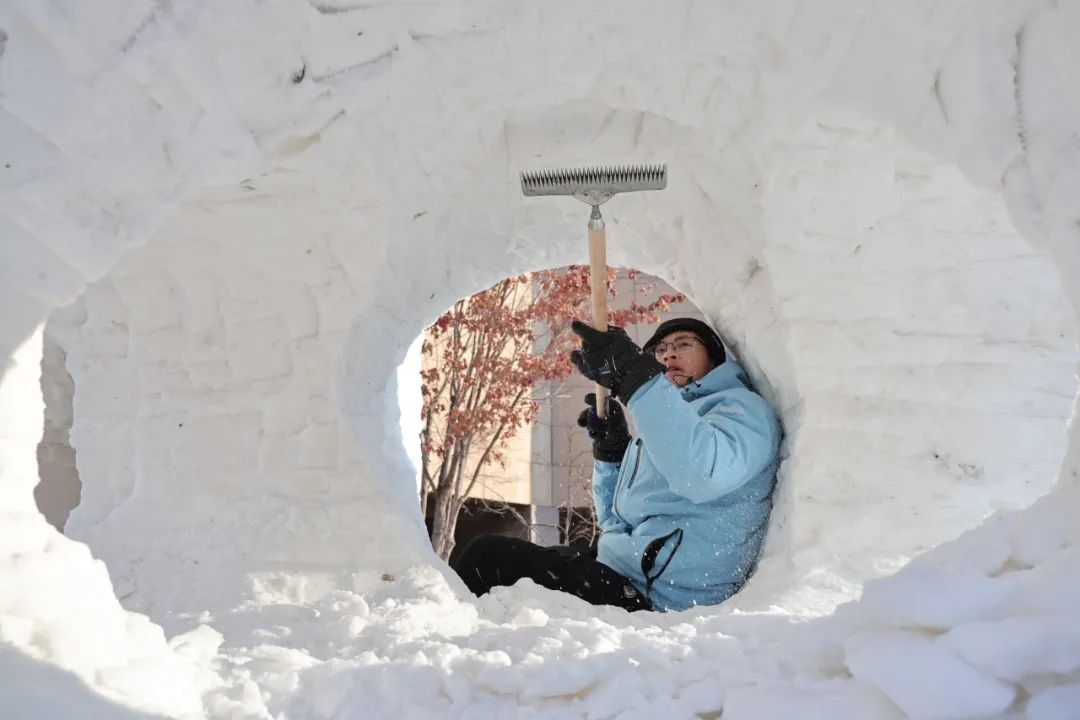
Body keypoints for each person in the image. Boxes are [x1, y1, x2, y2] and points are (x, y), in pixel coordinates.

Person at [451, 317, 781, 612]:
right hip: (624, 568)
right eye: (659, 350)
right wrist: (612, 454)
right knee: (492, 562)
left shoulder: (740, 409)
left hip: (665, 598)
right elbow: (616, 520)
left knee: (487, 559)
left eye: (683, 345)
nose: (668, 355)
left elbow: (702, 475)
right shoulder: (667, 418)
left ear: (714, 359)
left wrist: (638, 380)